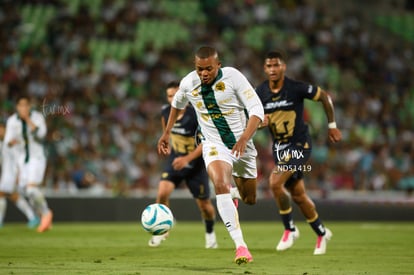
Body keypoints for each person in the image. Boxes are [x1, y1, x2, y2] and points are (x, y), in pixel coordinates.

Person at [158, 46, 264, 264]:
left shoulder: (234, 77)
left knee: (250, 199)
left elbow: (257, 109)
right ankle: (241, 246)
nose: (204, 73)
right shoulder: (188, 83)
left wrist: (244, 137)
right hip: (213, 144)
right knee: (220, 184)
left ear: (218, 65)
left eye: (208, 69)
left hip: (242, 145)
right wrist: (166, 133)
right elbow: (176, 105)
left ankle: (235, 195)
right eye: (199, 69)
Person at [255, 50, 342, 255]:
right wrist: (260, 123)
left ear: (284, 67)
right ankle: (321, 233)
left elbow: (325, 97)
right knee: (299, 195)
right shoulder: (260, 92)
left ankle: (289, 229)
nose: (273, 69)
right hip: (280, 148)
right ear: (265, 69)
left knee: (275, 182)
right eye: (269, 66)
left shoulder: (296, 88)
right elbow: (255, 118)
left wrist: (332, 125)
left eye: (276, 65)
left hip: (299, 145)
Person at [148, 81, 218, 249]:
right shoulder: (165, 113)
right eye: (169, 96)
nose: (173, 99)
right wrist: (169, 148)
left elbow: (205, 142)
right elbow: (167, 133)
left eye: (176, 95)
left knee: (205, 206)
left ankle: (210, 234)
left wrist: (187, 159)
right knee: (162, 193)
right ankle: (162, 230)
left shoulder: (195, 115)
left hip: (195, 165)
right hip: (176, 160)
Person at [3, 95, 53, 233]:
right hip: (21, 160)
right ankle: (43, 216)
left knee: (31, 189)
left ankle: (46, 213)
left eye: (26, 105)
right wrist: (10, 142)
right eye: (21, 106)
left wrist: (28, 120)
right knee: (26, 191)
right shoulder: (12, 121)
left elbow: (41, 134)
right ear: (17, 107)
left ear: (29, 106)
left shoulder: (37, 118)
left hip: (36, 158)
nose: (23, 108)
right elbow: (7, 140)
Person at [0, 122, 40, 228]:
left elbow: (18, 158)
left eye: (1, 129)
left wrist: (19, 174)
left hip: (12, 173)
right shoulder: (3, 143)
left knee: (4, 194)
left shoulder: (12, 142)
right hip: (6, 173)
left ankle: (33, 217)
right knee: (13, 196)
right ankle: (33, 217)